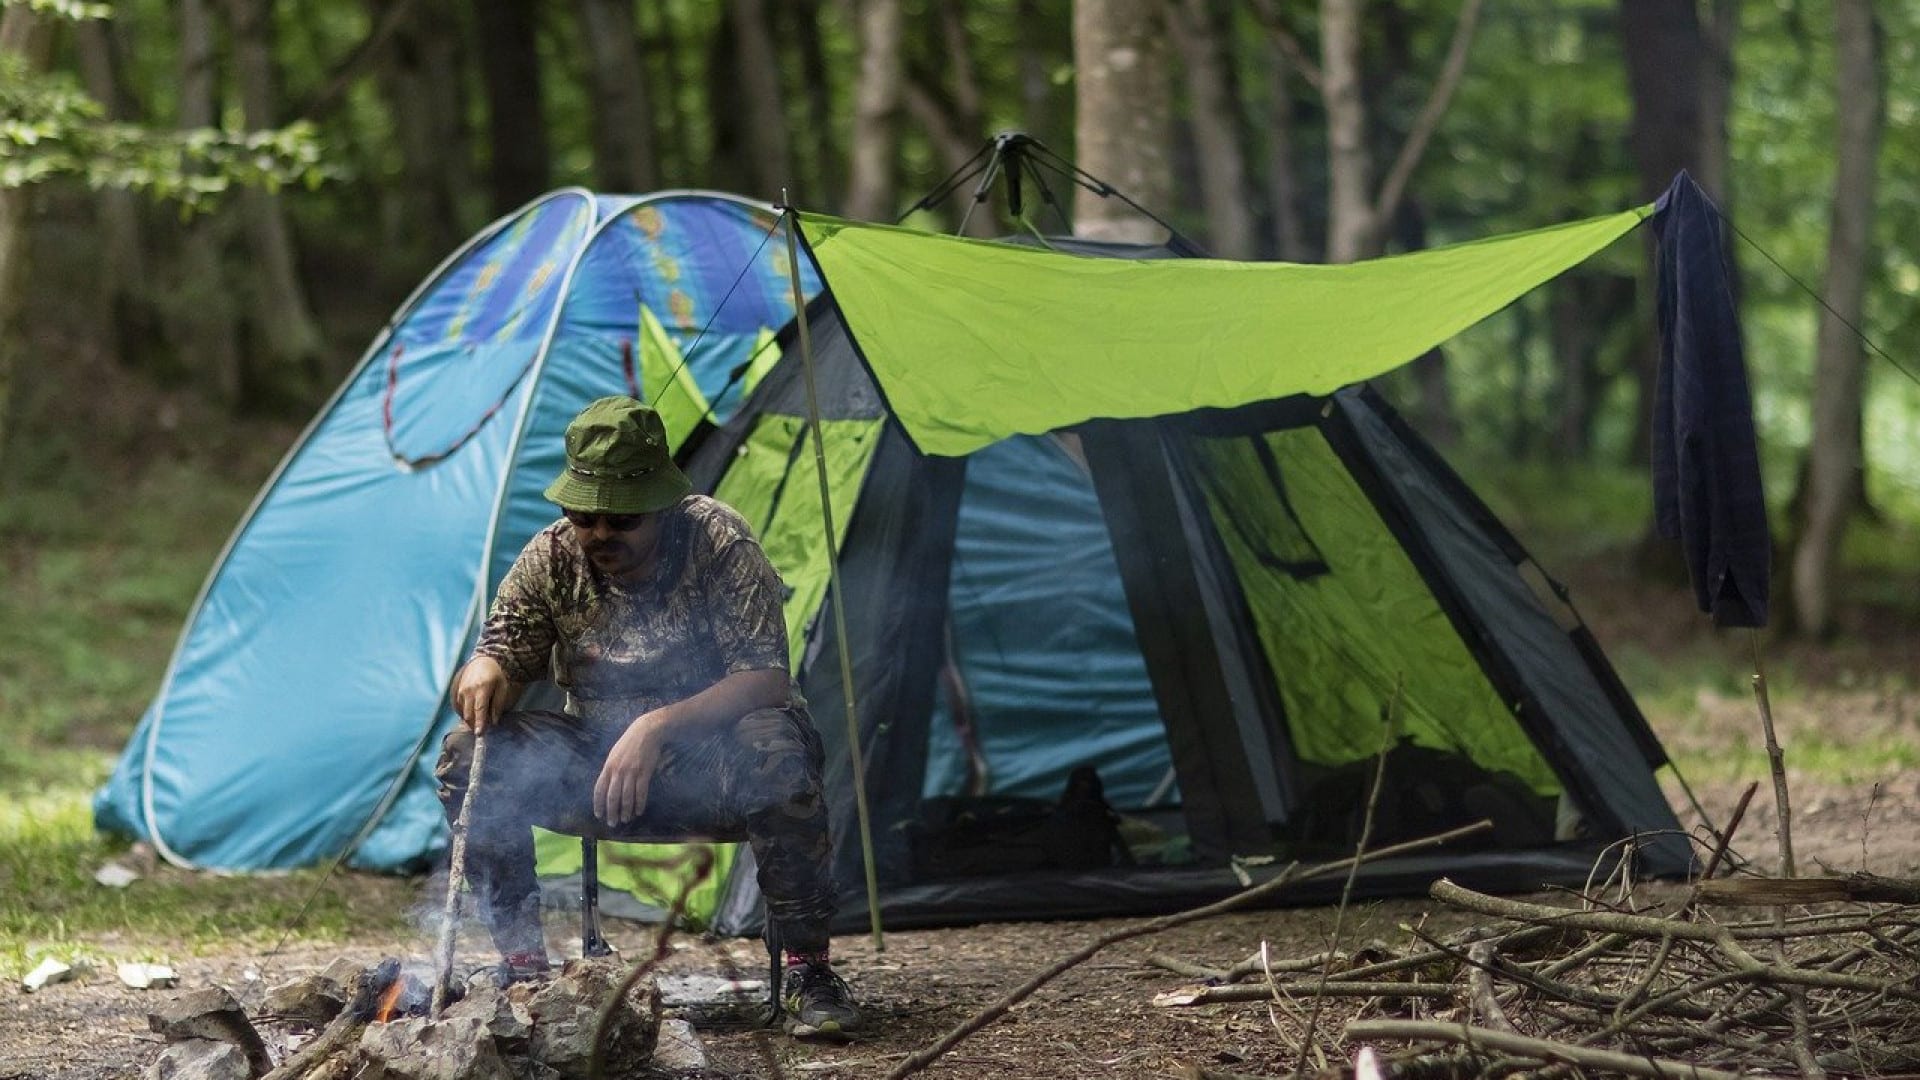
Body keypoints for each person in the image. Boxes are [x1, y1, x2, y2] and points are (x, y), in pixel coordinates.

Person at [436, 395, 862, 1037]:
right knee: (469, 753)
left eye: (623, 520)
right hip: (596, 764)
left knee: (777, 751)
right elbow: (500, 656)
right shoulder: (552, 556)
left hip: (715, 760)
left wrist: (656, 725)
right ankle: (523, 968)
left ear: (661, 506)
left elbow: (766, 678)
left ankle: (809, 972)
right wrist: (484, 670)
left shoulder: (718, 542)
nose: (600, 534)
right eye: (584, 516)